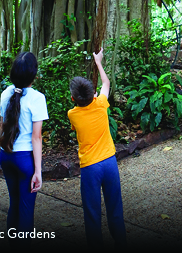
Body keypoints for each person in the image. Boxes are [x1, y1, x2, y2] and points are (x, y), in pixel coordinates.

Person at [68, 48, 127, 248]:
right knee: (115, 208)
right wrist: (98, 62)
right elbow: (106, 84)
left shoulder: (72, 114)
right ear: (93, 94)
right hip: (109, 162)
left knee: (92, 212)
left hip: (90, 167)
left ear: (73, 98)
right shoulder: (101, 104)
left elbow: (79, 111)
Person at [0, 51, 48, 244]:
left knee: (14, 204)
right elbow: (36, 138)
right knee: (26, 210)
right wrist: (38, 171)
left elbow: (3, 127)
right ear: (33, 75)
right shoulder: (37, 98)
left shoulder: (5, 94)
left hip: (7, 156)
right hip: (24, 159)